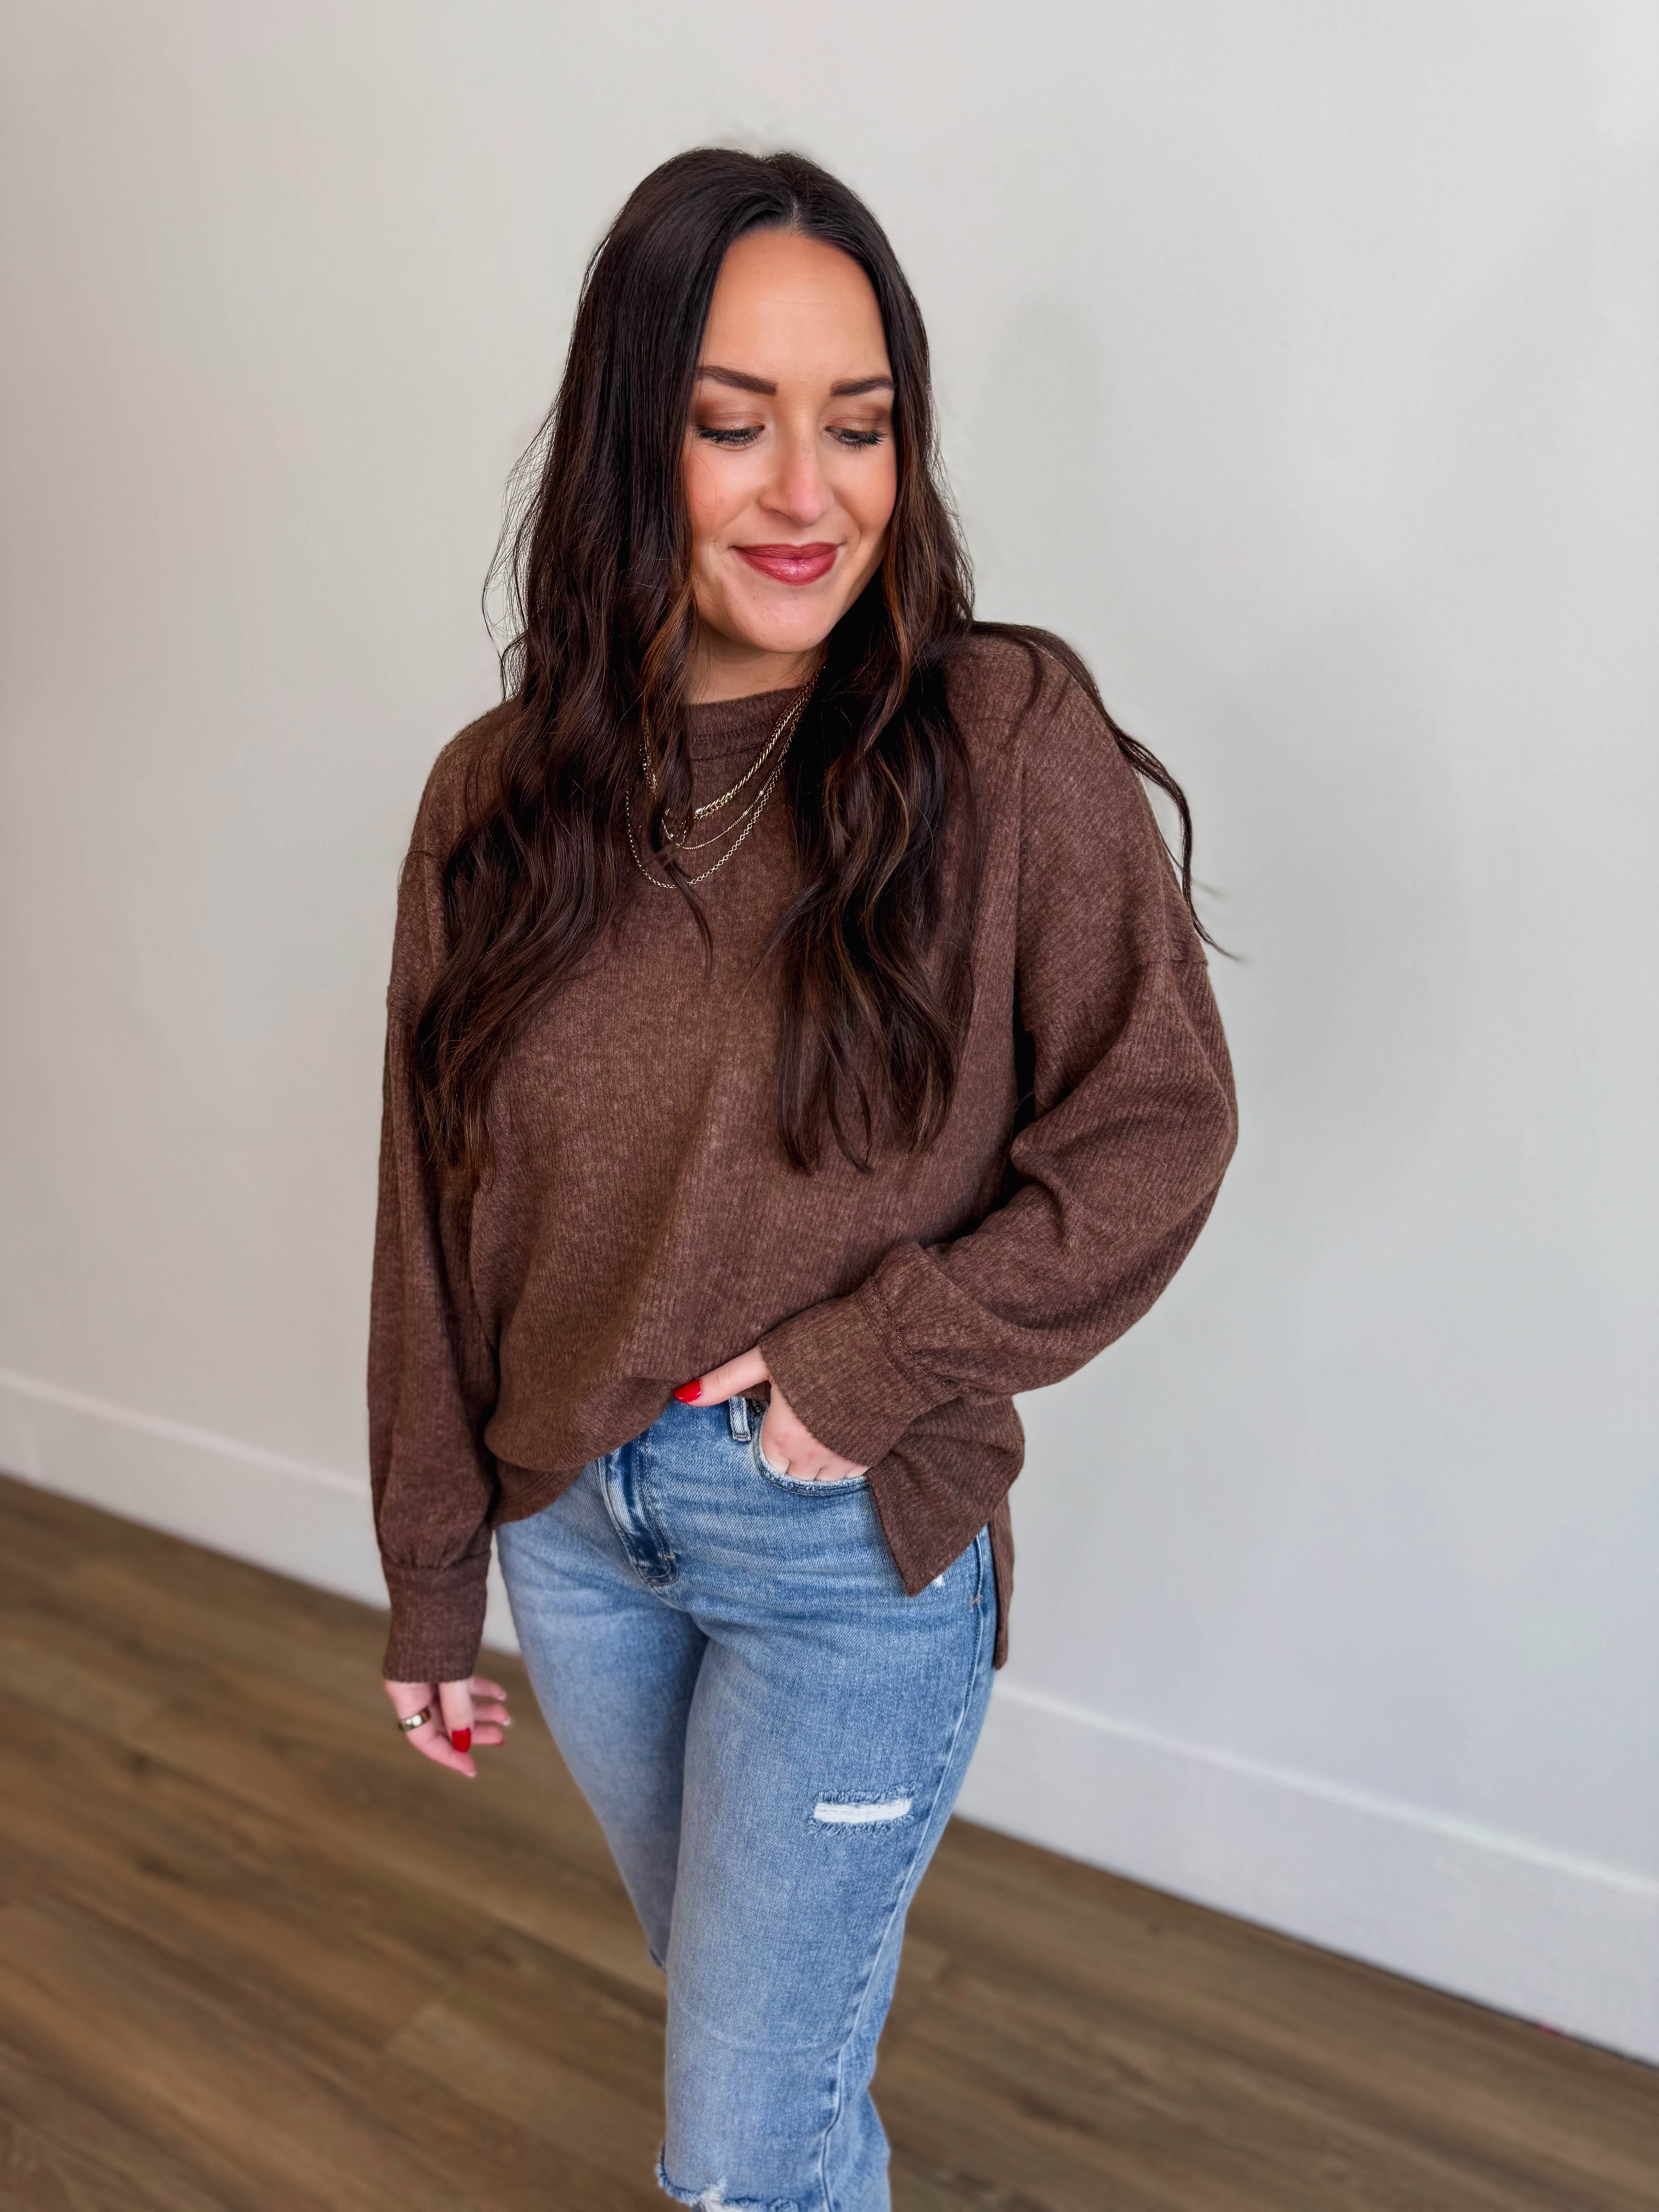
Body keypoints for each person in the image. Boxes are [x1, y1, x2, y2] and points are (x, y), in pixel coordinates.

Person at [368, 145, 1237, 2212]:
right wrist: (434, 1574)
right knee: (766, 2070)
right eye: (730, 421)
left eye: (858, 424)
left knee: (739, 2150)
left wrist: (876, 1363)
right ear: (629, 441)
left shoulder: (1000, 738)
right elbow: (430, 1215)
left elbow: (1157, 1122)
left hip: (840, 1550)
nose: (805, 491)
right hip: (575, 1537)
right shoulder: (497, 798)